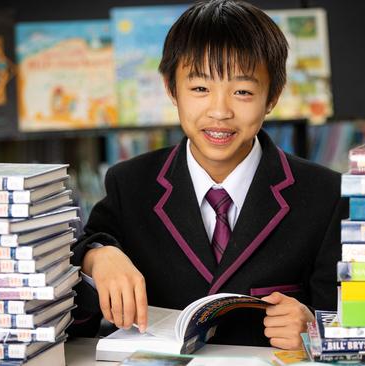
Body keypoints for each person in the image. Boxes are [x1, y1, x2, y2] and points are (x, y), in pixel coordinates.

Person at [70, 0, 347, 349]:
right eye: (200, 88)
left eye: (243, 91)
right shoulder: (130, 185)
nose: (220, 111)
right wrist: (97, 257)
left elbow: (351, 323)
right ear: (172, 89)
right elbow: (75, 322)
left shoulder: (325, 194)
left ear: (272, 97)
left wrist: (314, 329)